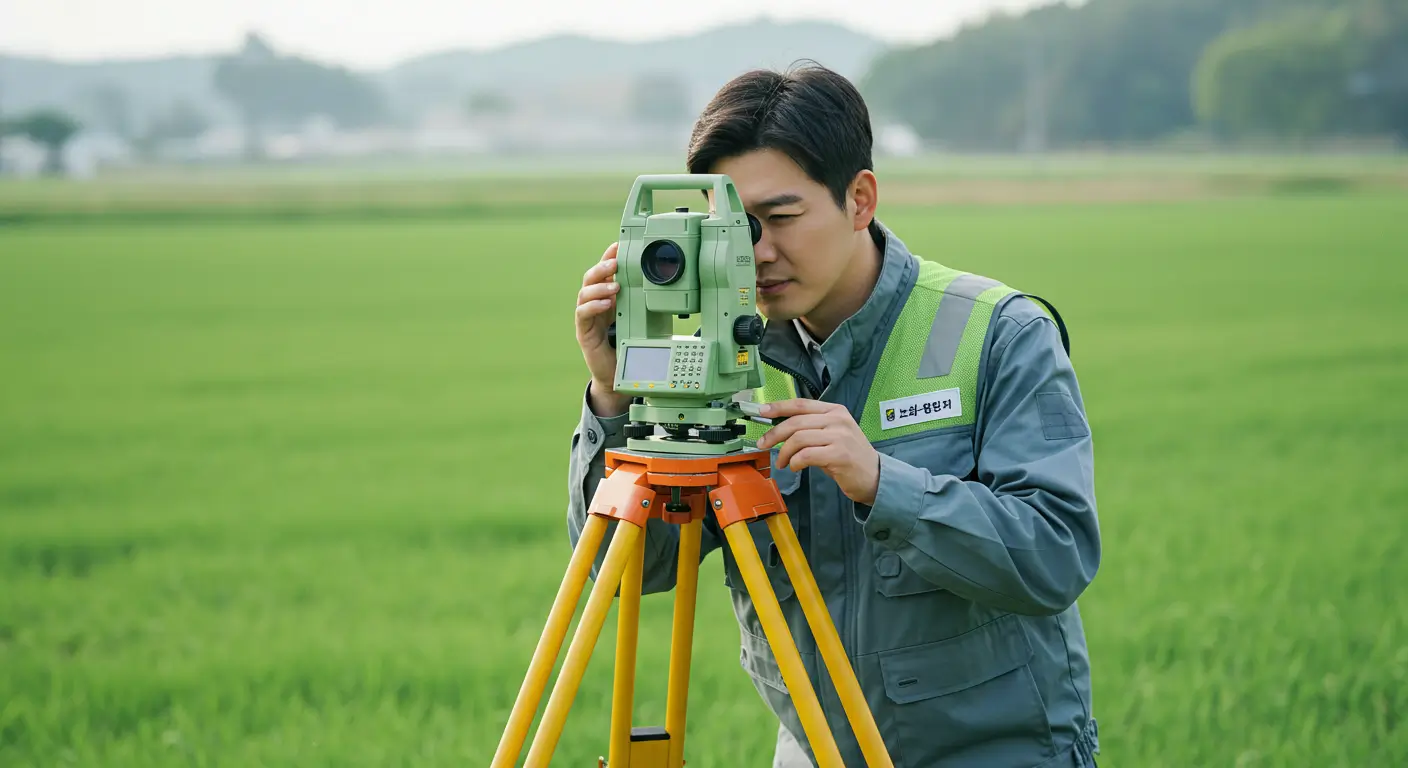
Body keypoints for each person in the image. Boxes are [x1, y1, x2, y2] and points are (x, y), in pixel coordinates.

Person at [566, 62, 1100, 768]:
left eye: (782, 218)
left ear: (860, 199)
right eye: (734, 227)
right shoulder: (719, 361)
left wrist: (882, 483)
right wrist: (614, 396)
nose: (757, 253)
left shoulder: (996, 332)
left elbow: (1057, 554)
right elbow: (635, 569)